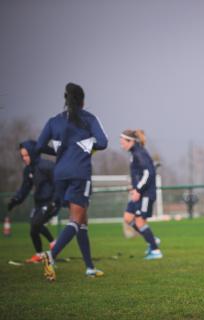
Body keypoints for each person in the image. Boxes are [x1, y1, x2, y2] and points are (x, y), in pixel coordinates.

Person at [36, 82, 108, 281]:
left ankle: (90, 267)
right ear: (83, 101)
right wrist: (86, 144)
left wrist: (60, 150)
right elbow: (103, 142)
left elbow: (40, 145)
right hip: (79, 174)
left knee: (82, 221)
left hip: (60, 175)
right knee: (76, 220)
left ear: (66, 100)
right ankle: (51, 255)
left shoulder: (54, 121)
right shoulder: (88, 118)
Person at [7, 140, 58, 263]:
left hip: (51, 202)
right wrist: (16, 200)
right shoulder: (28, 170)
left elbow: (59, 183)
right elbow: (25, 188)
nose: (24, 158)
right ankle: (40, 254)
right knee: (33, 229)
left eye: (26, 155)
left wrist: (55, 201)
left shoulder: (47, 166)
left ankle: (54, 244)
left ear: (33, 153)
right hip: (39, 203)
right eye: (22, 156)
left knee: (36, 223)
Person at [120, 129, 162, 260]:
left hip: (146, 194)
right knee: (128, 218)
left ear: (131, 141)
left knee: (139, 221)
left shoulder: (139, 153)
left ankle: (155, 251)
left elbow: (149, 173)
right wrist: (134, 188)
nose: (121, 143)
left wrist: (138, 189)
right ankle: (152, 239)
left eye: (123, 141)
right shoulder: (134, 153)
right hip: (138, 193)